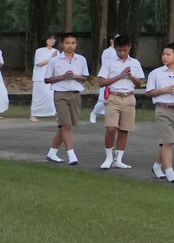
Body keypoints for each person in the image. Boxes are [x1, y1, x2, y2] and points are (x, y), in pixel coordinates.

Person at [143, 44, 174, 184]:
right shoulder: (155, 73)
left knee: (170, 142)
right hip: (163, 109)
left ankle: (157, 166)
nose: (164, 57)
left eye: (168, 54)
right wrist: (165, 90)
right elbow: (149, 92)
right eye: (163, 54)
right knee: (167, 141)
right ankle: (170, 172)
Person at [42, 32, 91, 165]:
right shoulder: (54, 60)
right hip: (60, 94)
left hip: (75, 93)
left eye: (73, 43)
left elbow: (85, 77)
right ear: (62, 44)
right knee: (66, 125)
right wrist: (63, 77)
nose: (70, 46)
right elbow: (47, 79)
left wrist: (75, 76)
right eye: (67, 43)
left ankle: (52, 152)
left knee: (66, 125)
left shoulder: (81, 59)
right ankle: (72, 155)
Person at [93, 34, 140, 170]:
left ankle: (118, 159)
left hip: (129, 96)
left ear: (129, 48)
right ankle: (108, 157)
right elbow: (102, 82)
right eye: (119, 50)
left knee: (124, 129)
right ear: (115, 49)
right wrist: (120, 76)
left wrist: (130, 76)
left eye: (125, 50)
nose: (122, 53)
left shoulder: (135, 63)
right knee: (111, 128)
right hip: (113, 96)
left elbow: (139, 82)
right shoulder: (109, 62)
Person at [30, 34, 57, 120]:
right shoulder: (39, 51)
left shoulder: (56, 51)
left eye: (53, 39)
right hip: (40, 77)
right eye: (50, 39)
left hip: (51, 77)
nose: (52, 41)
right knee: (38, 96)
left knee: (50, 96)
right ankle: (33, 114)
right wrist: (51, 58)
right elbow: (39, 63)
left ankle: (54, 113)